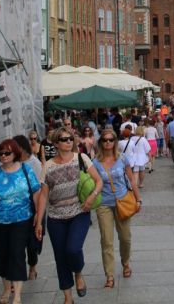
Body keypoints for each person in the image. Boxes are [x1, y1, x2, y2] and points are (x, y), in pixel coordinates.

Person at [35, 126, 102, 304]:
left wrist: (92, 197)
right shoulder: (48, 166)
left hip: (79, 213)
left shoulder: (81, 158)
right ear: (56, 144)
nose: (68, 142)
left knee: (73, 249)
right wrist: (39, 222)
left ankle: (78, 273)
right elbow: (43, 195)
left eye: (70, 139)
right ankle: (67, 298)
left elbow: (98, 181)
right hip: (56, 218)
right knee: (60, 258)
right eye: (64, 139)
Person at [0, 138, 41, 304]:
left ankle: (17, 295)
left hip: (22, 220)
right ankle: (6, 289)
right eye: (1, 153)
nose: (3, 155)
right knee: (2, 255)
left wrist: (38, 214)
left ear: (15, 153)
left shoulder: (26, 170)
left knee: (17, 253)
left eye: (7, 153)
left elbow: (36, 192)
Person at [92, 129, 141, 287]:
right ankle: (110, 275)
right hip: (103, 204)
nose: (108, 142)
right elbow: (93, 183)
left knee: (125, 238)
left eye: (111, 140)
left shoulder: (122, 158)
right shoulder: (95, 162)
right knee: (106, 240)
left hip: (123, 201)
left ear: (115, 142)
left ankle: (126, 262)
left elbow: (132, 180)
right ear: (101, 143)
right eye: (105, 140)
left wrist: (138, 199)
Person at [13, 135, 43, 281]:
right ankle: (17, 273)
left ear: (22, 148)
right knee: (17, 244)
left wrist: (38, 212)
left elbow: (40, 187)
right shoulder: (12, 163)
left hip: (33, 206)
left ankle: (32, 266)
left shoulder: (34, 163)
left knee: (32, 244)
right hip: (17, 210)